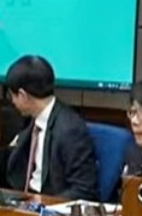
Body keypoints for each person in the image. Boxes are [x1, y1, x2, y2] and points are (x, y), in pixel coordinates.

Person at [6, 55, 98, 200]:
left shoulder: (70, 129)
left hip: (51, 205)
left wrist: (44, 204)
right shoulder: (30, 122)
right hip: (25, 200)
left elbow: (84, 189)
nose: (12, 101)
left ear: (23, 95)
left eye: (12, 95)